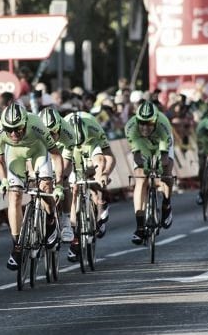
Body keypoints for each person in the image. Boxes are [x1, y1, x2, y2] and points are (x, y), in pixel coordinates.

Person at [0, 103, 64, 271]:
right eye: (9, 130)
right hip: (15, 156)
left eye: (18, 129)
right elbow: (0, 160)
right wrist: (3, 181)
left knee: (46, 186)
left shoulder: (36, 124)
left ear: (25, 123)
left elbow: (56, 155)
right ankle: (17, 245)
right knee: (14, 195)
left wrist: (59, 185)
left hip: (38, 151)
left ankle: (51, 221)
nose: (13, 133)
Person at [63, 111, 116, 262]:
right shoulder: (63, 131)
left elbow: (107, 156)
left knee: (94, 174)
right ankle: (75, 239)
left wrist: (103, 174)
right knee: (73, 189)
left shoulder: (94, 128)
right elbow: (63, 164)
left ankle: (100, 202)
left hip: (90, 145)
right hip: (68, 146)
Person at [124, 100, 175, 245]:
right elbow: (137, 157)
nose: (145, 127)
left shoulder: (164, 124)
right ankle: (140, 227)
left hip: (161, 141)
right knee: (141, 179)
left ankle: (167, 204)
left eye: (149, 123)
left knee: (166, 173)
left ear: (156, 120)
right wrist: (146, 169)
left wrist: (158, 169)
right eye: (142, 122)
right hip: (142, 144)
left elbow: (164, 158)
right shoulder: (131, 127)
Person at [38, 107, 76, 242]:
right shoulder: (36, 130)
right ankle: (45, 215)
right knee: (38, 180)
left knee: (64, 178)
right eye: (47, 133)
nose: (51, 137)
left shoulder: (68, 133)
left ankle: (66, 221)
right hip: (41, 147)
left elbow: (65, 162)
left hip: (61, 150)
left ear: (59, 128)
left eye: (54, 132)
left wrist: (59, 181)